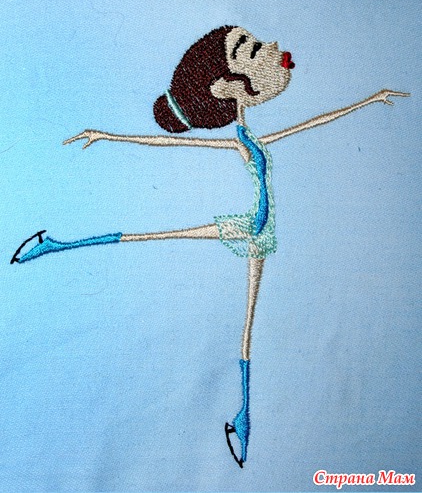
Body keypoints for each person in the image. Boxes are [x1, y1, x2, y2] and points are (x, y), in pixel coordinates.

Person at [11, 25, 409, 467]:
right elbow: (168, 144)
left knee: (247, 322)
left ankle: (243, 418)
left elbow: (307, 124)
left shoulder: (254, 138)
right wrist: (109, 136)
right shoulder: (241, 136)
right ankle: (54, 244)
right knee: (158, 237)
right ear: (227, 86)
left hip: (262, 233)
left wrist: (369, 100)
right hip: (247, 227)